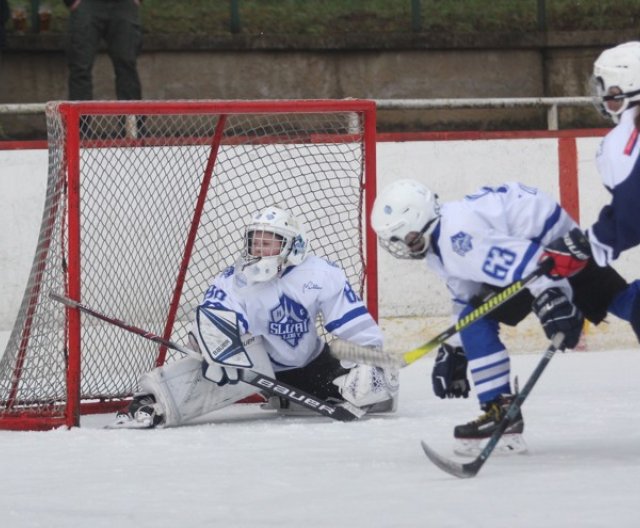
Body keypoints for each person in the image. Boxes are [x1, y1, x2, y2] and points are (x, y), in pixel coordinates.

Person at [371, 180, 640, 451]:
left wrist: (552, 299)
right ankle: (501, 413)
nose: (399, 246)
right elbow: (465, 296)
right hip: (559, 239)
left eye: (400, 236)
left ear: (416, 219)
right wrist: (455, 348)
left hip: (548, 247)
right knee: (620, 299)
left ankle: (500, 413)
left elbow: (531, 261)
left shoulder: (458, 240)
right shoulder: (442, 239)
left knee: (476, 320)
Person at [111, 205, 399, 428]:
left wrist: (371, 361)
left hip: (313, 363)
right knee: (212, 371)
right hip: (258, 371)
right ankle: (149, 402)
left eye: (268, 242)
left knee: (379, 392)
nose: (259, 249)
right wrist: (219, 349)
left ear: (292, 245)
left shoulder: (320, 274)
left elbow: (355, 325)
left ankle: (296, 395)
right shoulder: (234, 281)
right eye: (255, 242)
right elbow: (213, 324)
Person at [543, 41, 640, 278]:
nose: (603, 96)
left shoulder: (623, 142)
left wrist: (593, 241)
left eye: (607, 89)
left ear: (626, 87)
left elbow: (634, 211)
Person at [64, 0, 143, 102]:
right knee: (80, 66)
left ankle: (132, 116)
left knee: (127, 65)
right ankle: (78, 117)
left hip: (123, 5)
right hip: (86, 5)